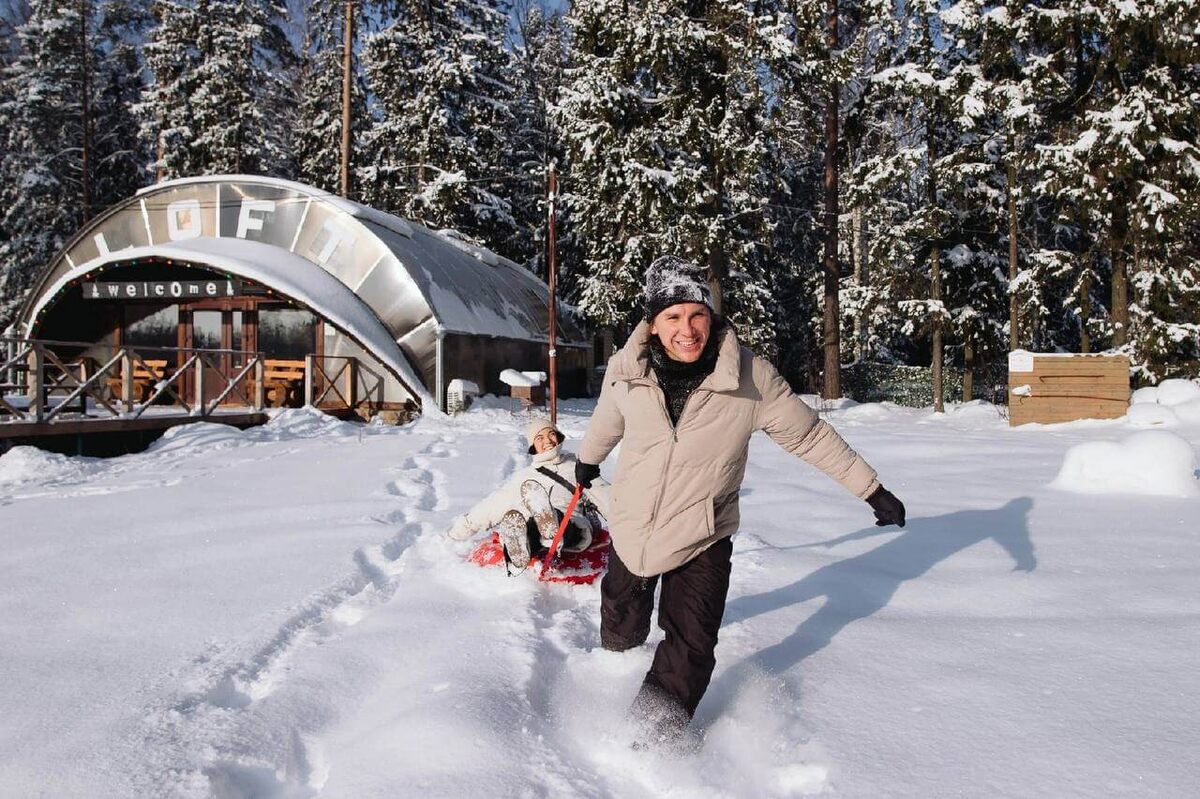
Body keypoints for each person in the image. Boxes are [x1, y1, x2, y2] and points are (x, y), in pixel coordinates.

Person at [574, 255, 906, 747]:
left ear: (711, 316)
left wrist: (870, 489)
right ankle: (615, 659)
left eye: (697, 314)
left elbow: (808, 436)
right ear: (653, 324)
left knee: (693, 641)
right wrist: (587, 460)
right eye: (672, 316)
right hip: (633, 520)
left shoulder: (751, 376)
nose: (687, 329)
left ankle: (650, 740)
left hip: (703, 530)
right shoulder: (627, 370)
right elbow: (608, 419)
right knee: (621, 606)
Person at [448, 416, 611, 571]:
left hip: (570, 522)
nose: (547, 441)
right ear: (533, 445)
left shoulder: (578, 468)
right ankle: (521, 543)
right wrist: (461, 529)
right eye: (540, 437)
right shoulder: (525, 477)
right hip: (531, 519)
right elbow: (494, 505)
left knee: (565, 523)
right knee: (528, 523)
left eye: (551, 434)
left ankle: (551, 527)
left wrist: (624, 520)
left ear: (559, 437)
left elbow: (605, 496)